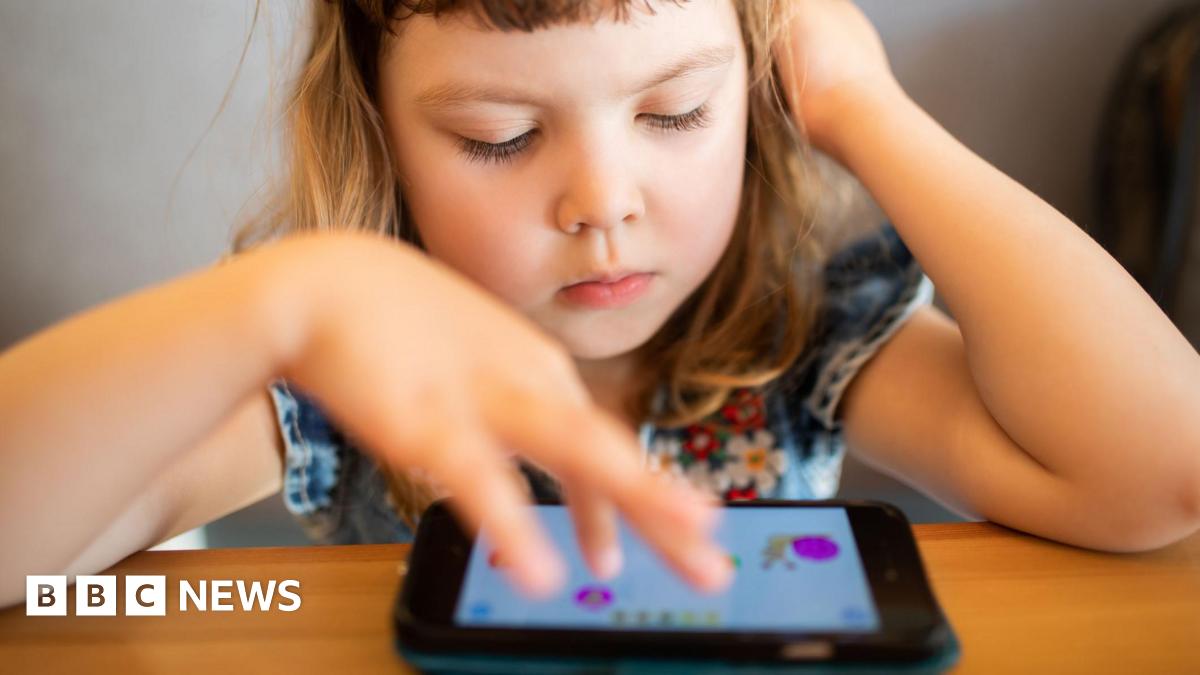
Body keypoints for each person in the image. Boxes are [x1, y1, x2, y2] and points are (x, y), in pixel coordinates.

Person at [3, 0, 1199, 611]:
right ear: (380, 131)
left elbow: (1162, 474)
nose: (603, 204)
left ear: (756, 88)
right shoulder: (347, 383)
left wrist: (862, 107)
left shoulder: (798, 331)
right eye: (500, 136)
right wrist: (278, 303)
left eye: (675, 113)